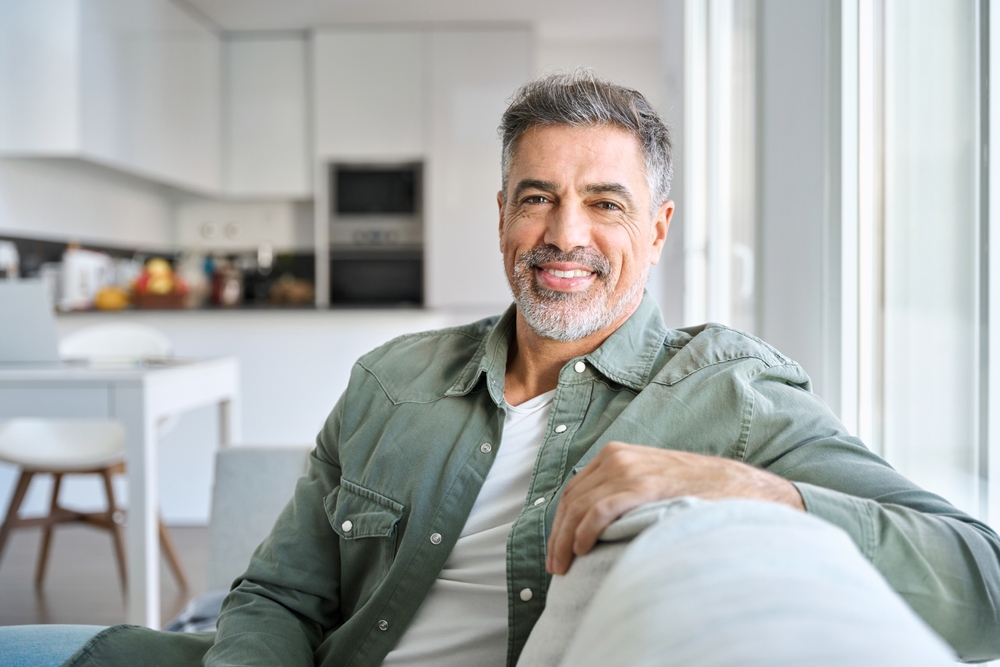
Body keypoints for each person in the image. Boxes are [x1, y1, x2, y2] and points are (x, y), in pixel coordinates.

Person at [51, 71, 1000, 666]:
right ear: (501, 211)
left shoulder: (729, 391)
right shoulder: (392, 377)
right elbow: (281, 595)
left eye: (605, 203)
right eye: (537, 197)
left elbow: (982, 579)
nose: (564, 236)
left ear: (659, 229)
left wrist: (740, 484)